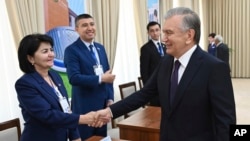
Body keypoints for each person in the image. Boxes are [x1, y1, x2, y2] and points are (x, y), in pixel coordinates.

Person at [96, 7, 236, 141]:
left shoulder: (214, 68)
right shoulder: (165, 62)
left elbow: (225, 120)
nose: (163, 38)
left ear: (189, 35)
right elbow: (144, 94)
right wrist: (110, 112)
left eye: (169, 33)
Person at [15, 33, 104, 141]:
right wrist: (83, 119)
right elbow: (47, 115)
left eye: (51, 50)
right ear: (30, 58)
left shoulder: (55, 76)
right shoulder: (25, 84)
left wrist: (76, 137)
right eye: (45, 51)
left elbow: (66, 110)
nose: (51, 54)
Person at [64, 14, 115, 140]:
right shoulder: (72, 50)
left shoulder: (100, 48)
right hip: (84, 107)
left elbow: (108, 75)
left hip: (102, 106)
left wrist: (110, 98)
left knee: (100, 138)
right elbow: (74, 78)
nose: (90, 28)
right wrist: (100, 79)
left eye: (92, 24)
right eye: (84, 25)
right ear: (77, 29)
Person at [140, 21, 166, 106]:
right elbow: (144, 71)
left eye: (157, 30)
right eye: (152, 31)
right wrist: (148, 90)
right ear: (148, 33)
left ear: (160, 31)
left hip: (166, 87)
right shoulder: (145, 48)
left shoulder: (165, 46)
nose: (155, 33)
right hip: (154, 88)